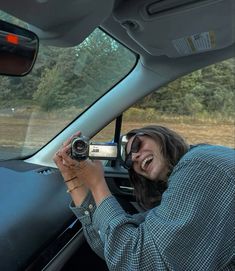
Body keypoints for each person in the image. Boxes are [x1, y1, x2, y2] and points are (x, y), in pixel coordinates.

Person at [53, 125, 235, 271]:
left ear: (159, 134)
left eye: (137, 145)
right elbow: (112, 245)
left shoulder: (198, 166)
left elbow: (138, 263)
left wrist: (97, 184)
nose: (136, 158)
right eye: (130, 163)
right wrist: (72, 179)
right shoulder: (196, 166)